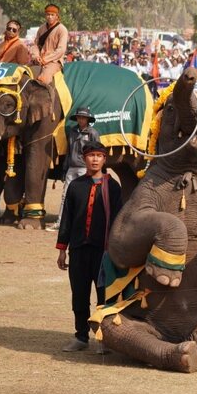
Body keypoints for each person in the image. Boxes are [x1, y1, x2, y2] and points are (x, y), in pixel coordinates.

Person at [56, 141, 123, 353]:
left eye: (99, 156)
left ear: (104, 159)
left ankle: (104, 339)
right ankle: (81, 337)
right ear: (84, 158)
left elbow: (119, 219)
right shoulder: (75, 186)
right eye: (91, 155)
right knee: (79, 295)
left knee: (104, 296)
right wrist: (62, 250)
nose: (94, 159)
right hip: (78, 250)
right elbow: (66, 219)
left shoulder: (112, 187)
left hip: (103, 252)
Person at [48, 107, 101, 233]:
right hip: (72, 168)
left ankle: (84, 225)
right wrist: (64, 169)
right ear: (76, 118)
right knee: (65, 196)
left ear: (88, 119)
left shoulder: (92, 133)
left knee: (85, 196)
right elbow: (69, 151)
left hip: (85, 169)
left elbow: (97, 152)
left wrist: (94, 170)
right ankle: (61, 222)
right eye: (79, 117)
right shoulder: (72, 131)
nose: (81, 119)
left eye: (83, 117)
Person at [29, 4, 69, 85]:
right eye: (48, 14)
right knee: (22, 71)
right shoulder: (41, 28)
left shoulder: (62, 29)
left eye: (52, 15)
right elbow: (35, 45)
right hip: (38, 60)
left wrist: (45, 59)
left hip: (53, 62)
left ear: (57, 16)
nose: (50, 17)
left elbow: (61, 50)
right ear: (45, 16)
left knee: (44, 78)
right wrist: (36, 57)